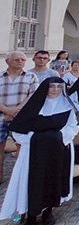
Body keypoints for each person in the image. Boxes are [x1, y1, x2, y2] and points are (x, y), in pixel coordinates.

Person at [0, 77, 79, 225]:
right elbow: (18, 129)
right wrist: (35, 139)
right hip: (33, 150)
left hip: (58, 149)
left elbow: (73, 126)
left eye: (58, 86)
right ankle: (31, 216)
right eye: (51, 87)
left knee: (53, 178)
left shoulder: (67, 106)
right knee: (32, 180)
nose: (55, 89)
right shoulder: (33, 106)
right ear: (45, 88)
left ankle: (48, 212)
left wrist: (59, 137)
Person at [0, 52, 40, 183]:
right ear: (8, 61)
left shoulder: (31, 77)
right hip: (2, 116)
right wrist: (6, 110)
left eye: (23, 60)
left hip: (22, 117)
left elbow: (33, 96)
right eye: (17, 59)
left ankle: (19, 179)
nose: (21, 62)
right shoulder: (0, 76)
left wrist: (16, 111)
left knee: (21, 148)